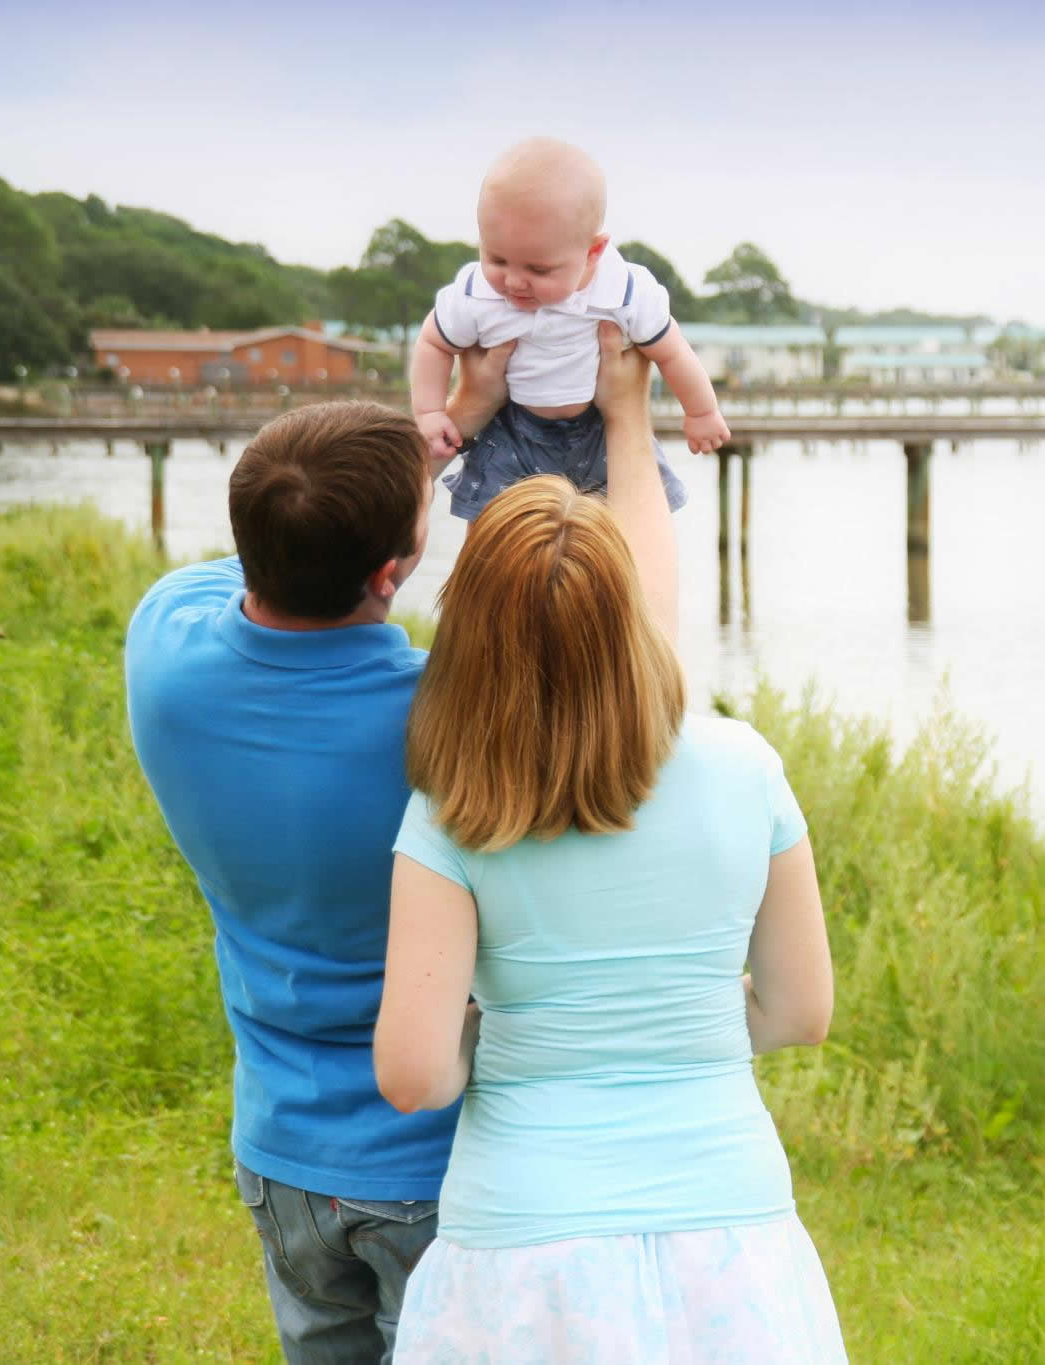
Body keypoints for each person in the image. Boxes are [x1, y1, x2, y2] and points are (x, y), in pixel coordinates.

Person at [376, 326, 847, 1362]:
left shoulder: (454, 810)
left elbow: (414, 1075)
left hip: (525, 1236)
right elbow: (799, 1012)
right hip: (729, 1223)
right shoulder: (743, 768)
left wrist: (513, 1032)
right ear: (630, 619)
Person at [124, 344, 516, 1364]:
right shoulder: (451, 718)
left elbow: (278, 551)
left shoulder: (161, 650)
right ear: (392, 572)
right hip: (434, 1153)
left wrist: (399, 473)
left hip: (280, 1150)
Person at [410, 136, 731, 524]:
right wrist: (429, 411)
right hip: (513, 426)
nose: (514, 281)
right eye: (497, 258)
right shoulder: (475, 295)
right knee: (495, 529)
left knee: (627, 527)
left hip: (598, 431)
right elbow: (433, 342)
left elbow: (672, 351)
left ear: (592, 253)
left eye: (538, 269)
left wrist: (701, 411)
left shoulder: (623, 290)